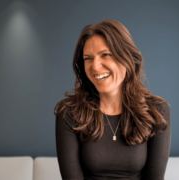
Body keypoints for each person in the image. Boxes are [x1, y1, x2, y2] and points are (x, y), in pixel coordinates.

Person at [54, 19, 171, 180]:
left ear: (127, 57)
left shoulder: (157, 111)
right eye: (88, 58)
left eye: (105, 55)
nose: (95, 66)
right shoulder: (69, 113)